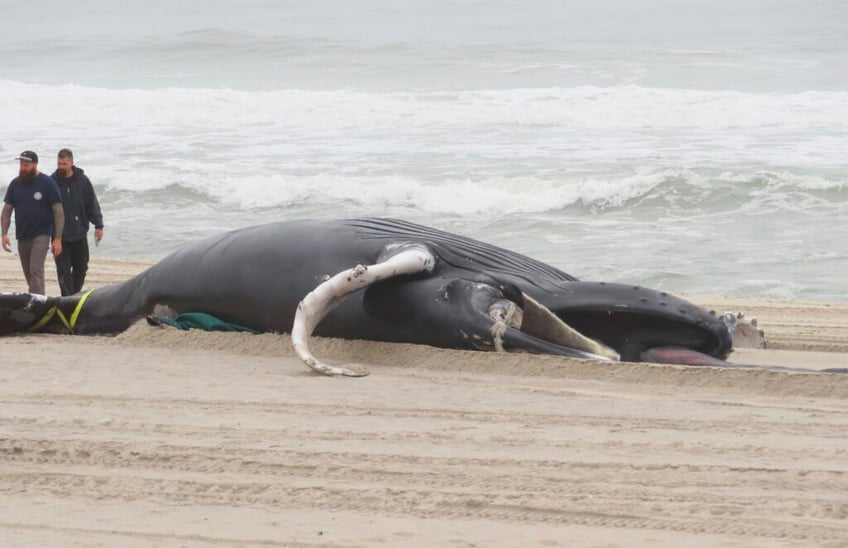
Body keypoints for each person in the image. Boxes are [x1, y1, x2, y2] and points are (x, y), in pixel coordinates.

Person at [1, 151, 64, 295]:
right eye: (21, 165)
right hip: (22, 234)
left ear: (35, 165)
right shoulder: (15, 184)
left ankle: (36, 303)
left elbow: (58, 211)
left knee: (36, 269)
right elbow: (7, 210)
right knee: (28, 271)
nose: (22, 168)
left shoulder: (47, 183)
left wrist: (58, 238)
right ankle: (39, 298)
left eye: (26, 165)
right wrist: (4, 234)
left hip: (42, 233)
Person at [52, 148, 104, 296]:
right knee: (63, 270)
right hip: (60, 236)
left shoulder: (82, 180)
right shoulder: (51, 182)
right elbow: (46, 210)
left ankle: (74, 296)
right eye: (59, 164)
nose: (61, 167)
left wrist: (98, 225)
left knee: (81, 268)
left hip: (79, 234)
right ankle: (67, 299)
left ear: (71, 163)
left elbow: (91, 204)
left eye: (64, 164)